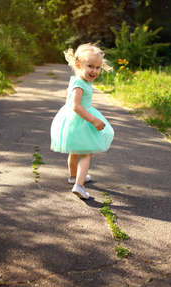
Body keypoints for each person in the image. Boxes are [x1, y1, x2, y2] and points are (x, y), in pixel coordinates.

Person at [50, 43, 114, 200]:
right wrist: (94, 120)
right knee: (86, 153)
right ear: (79, 64)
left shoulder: (78, 80)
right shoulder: (79, 84)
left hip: (73, 121)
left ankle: (73, 176)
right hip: (81, 120)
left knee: (74, 151)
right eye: (90, 66)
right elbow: (76, 106)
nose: (94, 71)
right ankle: (78, 185)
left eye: (98, 67)